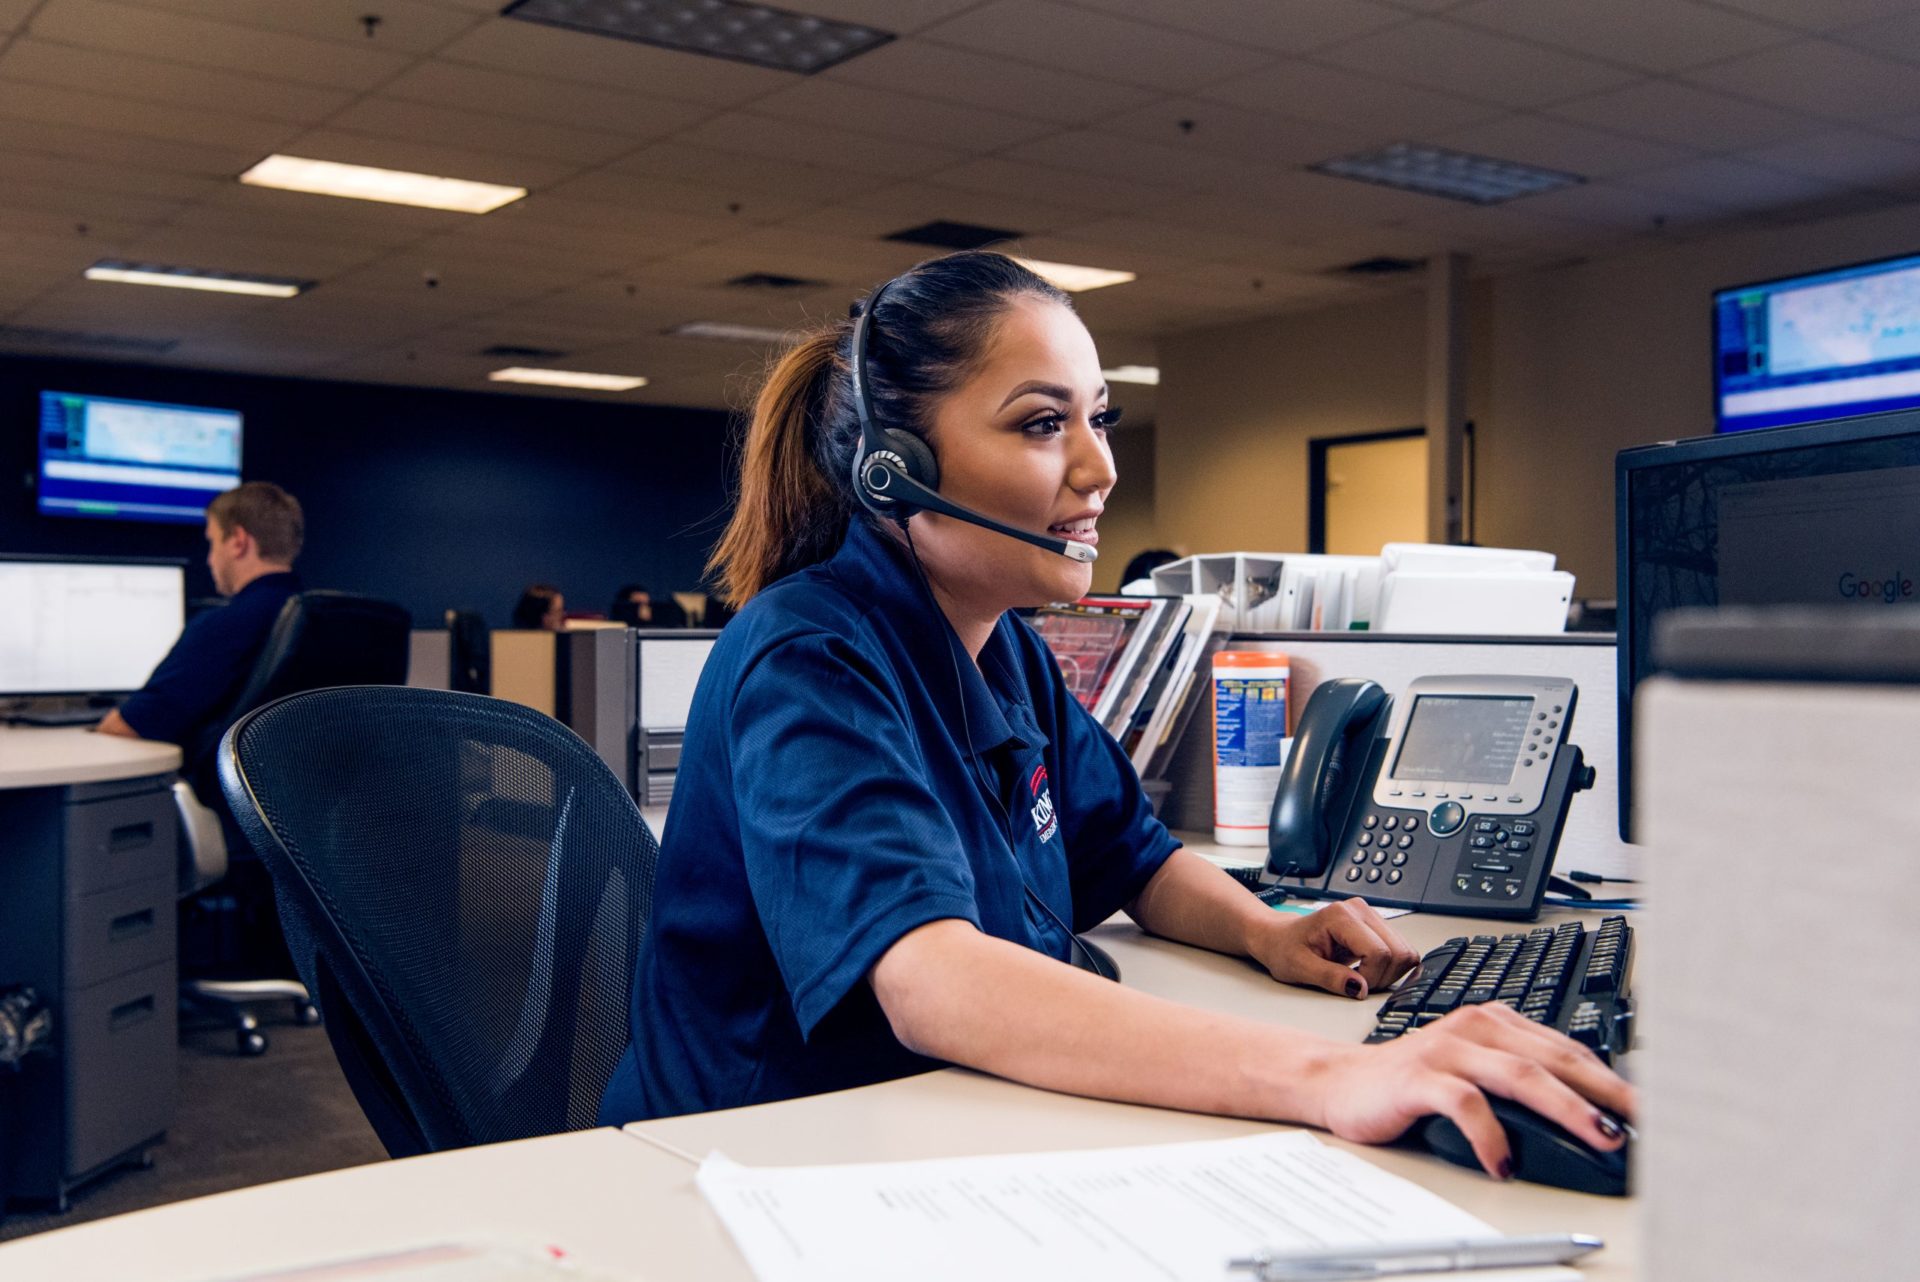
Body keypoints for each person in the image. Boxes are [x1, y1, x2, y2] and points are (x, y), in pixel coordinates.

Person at [596, 252, 1633, 1179]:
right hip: (752, 1174)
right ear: (896, 467)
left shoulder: (999, 646)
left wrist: (1266, 930)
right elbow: (934, 981)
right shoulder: (810, 659)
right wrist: (1328, 1075)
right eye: (1044, 423)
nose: (1100, 469)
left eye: (1101, 417)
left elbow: (1130, 854)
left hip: (932, 1132)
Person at [99, 481, 304, 785]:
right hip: (311, 809)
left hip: (232, 803)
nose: (210, 560)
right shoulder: (331, 622)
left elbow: (132, 725)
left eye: (212, 543)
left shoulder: (228, 623)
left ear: (237, 541)